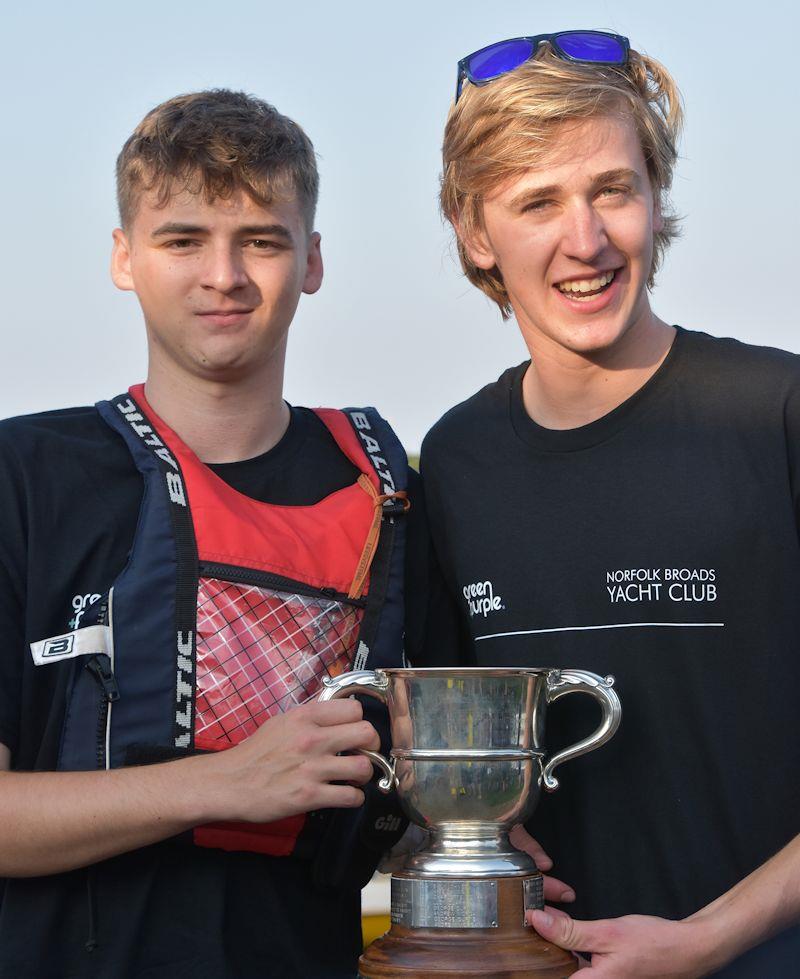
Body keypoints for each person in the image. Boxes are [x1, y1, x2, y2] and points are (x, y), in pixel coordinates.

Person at [0, 89, 421, 978]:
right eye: (182, 238)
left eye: (260, 240)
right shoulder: (24, 474)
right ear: (125, 258)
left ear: (312, 260)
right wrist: (227, 781)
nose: (222, 274)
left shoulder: (391, 491)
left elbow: (417, 782)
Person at [420, 30, 800, 977]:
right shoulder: (455, 462)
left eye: (612, 190)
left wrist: (707, 942)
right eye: (537, 201)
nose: (584, 240)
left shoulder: (778, 414)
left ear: (655, 197)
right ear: (475, 232)